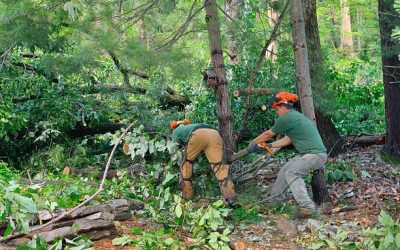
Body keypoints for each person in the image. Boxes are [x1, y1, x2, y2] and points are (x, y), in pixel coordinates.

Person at [247, 92, 327, 218]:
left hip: (315, 155)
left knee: (292, 172)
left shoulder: (287, 117)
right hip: (308, 154)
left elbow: (268, 134)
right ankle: (275, 202)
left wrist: (252, 143)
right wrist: (269, 146)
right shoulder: (294, 117)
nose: (277, 113)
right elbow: (288, 140)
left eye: (277, 110)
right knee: (285, 169)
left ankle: (308, 208)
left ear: (282, 107)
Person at [170, 119, 237, 206]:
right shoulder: (192, 125)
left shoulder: (175, 132)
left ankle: (187, 196)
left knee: (187, 163)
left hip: (198, 135)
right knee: (219, 166)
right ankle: (230, 196)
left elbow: (176, 150)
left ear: (173, 127)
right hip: (214, 133)